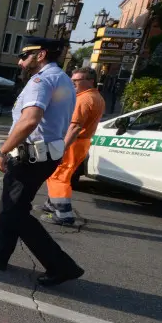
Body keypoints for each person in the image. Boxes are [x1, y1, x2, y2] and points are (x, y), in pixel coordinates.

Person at [0, 37, 84, 287]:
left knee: (15, 212)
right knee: (12, 207)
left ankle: (61, 265)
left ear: (41, 54)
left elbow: (30, 120)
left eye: (25, 56)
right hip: (44, 155)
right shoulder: (62, 78)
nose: (20, 61)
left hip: (30, 157)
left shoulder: (40, 80)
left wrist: (2, 151)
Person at [40, 67, 105, 225]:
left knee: (58, 175)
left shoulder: (84, 100)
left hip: (74, 142)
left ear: (90, 81)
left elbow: (75, 127)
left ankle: (63, 213)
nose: (73, 83)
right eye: (72, 80)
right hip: (81, 142)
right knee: (62, 174)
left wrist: (62, 148)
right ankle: (51, 204)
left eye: (77, 80)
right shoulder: (96, 97)